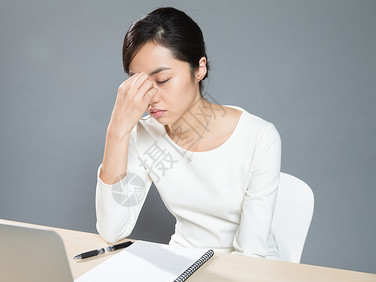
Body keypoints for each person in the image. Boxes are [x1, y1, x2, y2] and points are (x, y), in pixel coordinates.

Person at [96, 7, 281, 258]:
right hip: (183, 265)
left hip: (249, 274)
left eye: (162, 80)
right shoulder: (144, 134)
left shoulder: (259, 136)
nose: (150, 97)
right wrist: (117, 130)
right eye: (138, 84)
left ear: (199, 69)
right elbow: (112, 229)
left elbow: (251, 253)